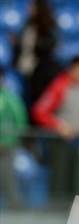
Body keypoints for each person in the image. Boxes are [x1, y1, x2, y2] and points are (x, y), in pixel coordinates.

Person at [32, 55, 79, 199]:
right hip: (61, 144)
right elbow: (39, 111)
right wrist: (58, 126)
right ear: (74, 68)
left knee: (75, 185)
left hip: (77, 143)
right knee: (60, 184)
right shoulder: (59, 86)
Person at [12, 0, 60, 109]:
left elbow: (50, 45)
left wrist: (38, 44)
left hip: (41, 72)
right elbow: (24, 46)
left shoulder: (48, 26)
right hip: (26, 69)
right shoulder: (27, 25)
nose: (29, 9)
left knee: (39, 101)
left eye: (32, 6)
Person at [0, 66, 28, 207]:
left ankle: (14, 205)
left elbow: (20, 121)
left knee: (8, 177)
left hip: (6, 147)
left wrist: (10, 140)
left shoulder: (11, 99)